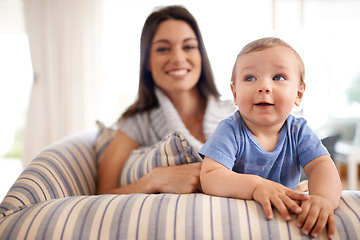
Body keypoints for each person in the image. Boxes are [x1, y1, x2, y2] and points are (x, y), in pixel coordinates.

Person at [199, 37, 342, 239]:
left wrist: (323, 198)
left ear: (299, 93)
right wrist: (256, 186)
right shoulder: (230, 130)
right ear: (235, 93)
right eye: (250, 78)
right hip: (244, 215)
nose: (264, 86)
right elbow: (210, 176)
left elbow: (322, 167)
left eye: (278, 77)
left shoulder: (298, 130)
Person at [96, 5, 237, 195]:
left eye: (188, 46)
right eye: (163, 49)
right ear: (147, 60)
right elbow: (101, 193)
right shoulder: (136, 123)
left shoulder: (236, 112)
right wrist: (155, 179)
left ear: (200, 55)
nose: (178, 58)